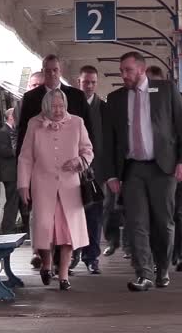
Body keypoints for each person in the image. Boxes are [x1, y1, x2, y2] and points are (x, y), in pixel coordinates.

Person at [104, 52, 182, 291]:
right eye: (122, 70)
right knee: (136, 223)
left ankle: (162, 269)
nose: (124, 75)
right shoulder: (115, 99)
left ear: (141, 69)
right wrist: (111, 174)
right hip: (132, 169)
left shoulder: (166, 91)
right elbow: (109, 140)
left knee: (163, 223)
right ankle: (143, 273)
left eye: (128, 70)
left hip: (163, 169)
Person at [17, 54, 93, 271]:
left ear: (61, 71)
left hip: (70, 181)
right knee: (44, 226)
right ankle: (47, 264)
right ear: (43, 71)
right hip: (42, 180)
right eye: (47, 70)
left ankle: (64, 272)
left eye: (55, 70)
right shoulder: (31, 100)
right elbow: (24, 147)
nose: (51, 74)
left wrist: (84, 163)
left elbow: (89, 141)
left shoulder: (76, 98)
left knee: (68, 228)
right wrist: (23, 181)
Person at [146, 65, 182, 272]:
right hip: (156, 167)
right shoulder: (143, 101)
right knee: (159, 213)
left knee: (179, 211)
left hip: (180, 166)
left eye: (155, 83)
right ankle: (161, 255)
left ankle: (180, 254)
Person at [72, 65, 106, 274]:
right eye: (86, 82)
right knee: (74, 213)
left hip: (96, 172)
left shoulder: (103, 108)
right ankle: (74, 253)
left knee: (94, 214)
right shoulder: (68, 106)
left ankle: (92, 256)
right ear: (79, 82)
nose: (90, 85)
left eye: (93, 82)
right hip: (73, 169)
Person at [0, 108, 23, 234]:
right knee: (11, 202)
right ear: (11, 117)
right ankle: (7, 229)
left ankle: (16, 227)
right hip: (10, 174)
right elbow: (3, 151)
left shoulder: (12, 131)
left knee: (17, 202)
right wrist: (17, 151)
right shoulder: (3, 132)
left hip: (15, 173)